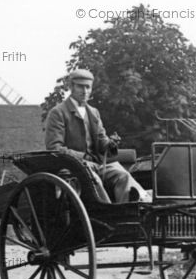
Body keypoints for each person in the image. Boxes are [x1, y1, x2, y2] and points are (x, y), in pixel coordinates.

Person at [44, 68, 149, 203]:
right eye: (80, 86)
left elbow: (101, 142)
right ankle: (107, 212)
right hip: (73, 167)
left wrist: (110, 144)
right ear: (71, 86)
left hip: (98, 164)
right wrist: (82, 157)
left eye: (88, 87)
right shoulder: (58, 113)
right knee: (93, 179)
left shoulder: (93, 112)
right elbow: (54, 148)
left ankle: (135, 208)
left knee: (123, 175)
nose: (85, 91)